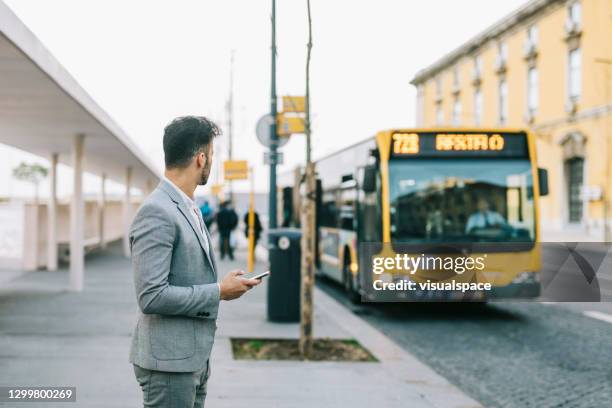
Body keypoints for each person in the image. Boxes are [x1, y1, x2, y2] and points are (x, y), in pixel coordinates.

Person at [129, 116, 261, 408]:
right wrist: (218, 291)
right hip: (168, 365)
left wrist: (224, 285)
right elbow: (151, 296)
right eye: (211, 154)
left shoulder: (189, 207)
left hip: (191, 359)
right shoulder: (157, 211)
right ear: (201, 158)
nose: (211, 161)